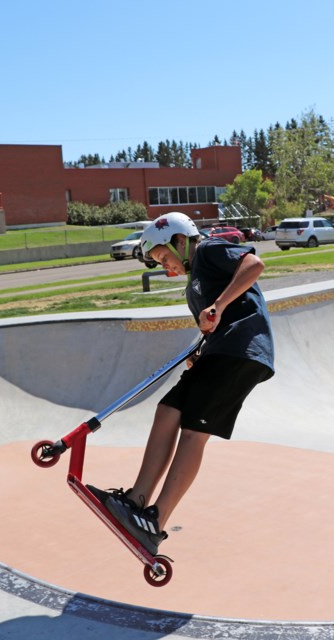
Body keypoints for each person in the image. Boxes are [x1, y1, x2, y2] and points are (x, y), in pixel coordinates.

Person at [88, 211, 274, 555]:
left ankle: (155, 522)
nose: (164, 266)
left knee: (193, 432)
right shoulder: (194, 288)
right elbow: (211, 322)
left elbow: (254, 265)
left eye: (163, 257)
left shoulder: (207, 250)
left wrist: (218, 305)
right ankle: (135, 501)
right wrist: (199, 351)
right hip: (220, 353)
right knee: (168, 409)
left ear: (180, 241)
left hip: (242, 352)